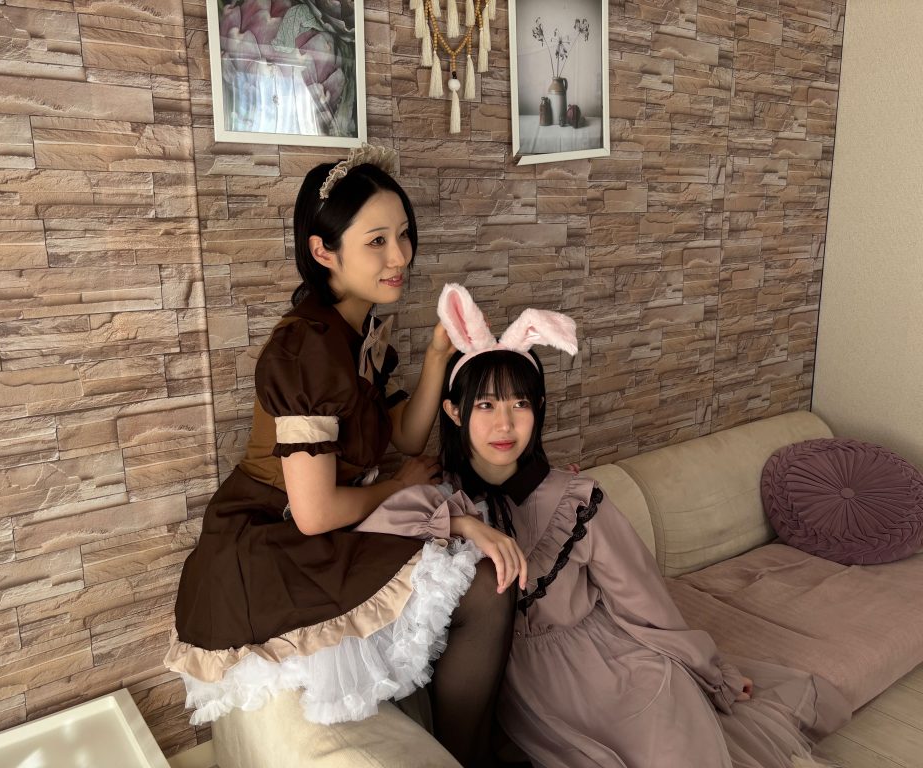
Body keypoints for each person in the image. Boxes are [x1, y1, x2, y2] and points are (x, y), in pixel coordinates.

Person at [357, 284, 852, 768]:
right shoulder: (441, 498)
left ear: (538, 409)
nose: (504, 424)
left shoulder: (575, 499)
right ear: (453, 411)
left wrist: (710, 668)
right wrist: (467, 525)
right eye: (485, 405)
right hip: (527, 685)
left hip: (613, 662)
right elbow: (372, 538)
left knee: (675, 742)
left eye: (520, 404)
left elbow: (644, 600)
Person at [165, 150, 514, 767]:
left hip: (316, 526)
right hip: (271, 538)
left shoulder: (356, 333)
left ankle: (468, 749)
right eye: (377, 241)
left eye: (403, 234)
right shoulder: (307, 348)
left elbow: (405, 436)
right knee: (482, 585)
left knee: (482, 572)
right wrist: (400, 489)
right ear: (323, 251)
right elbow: (316, 512)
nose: (400, 256)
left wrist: (439, 354)